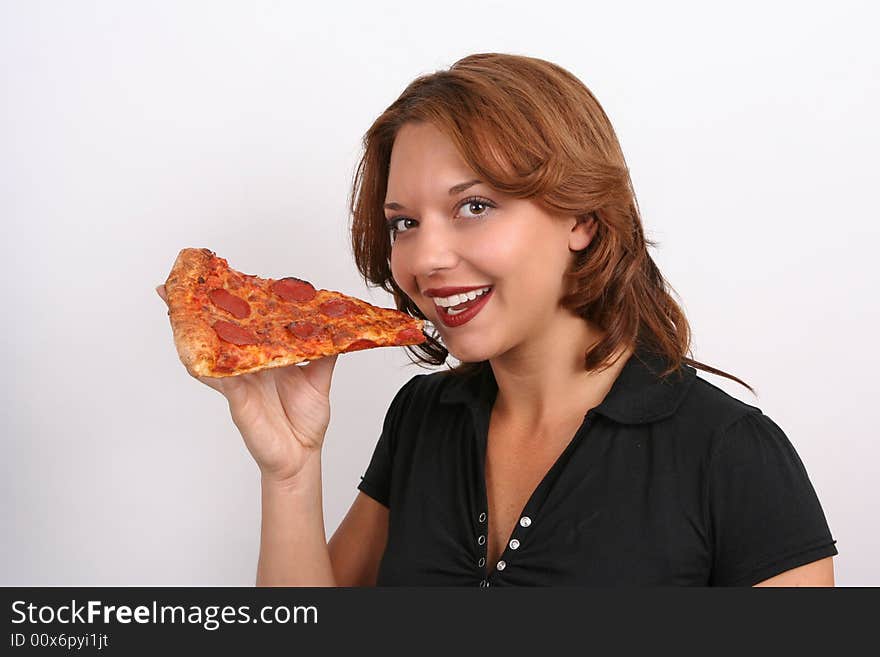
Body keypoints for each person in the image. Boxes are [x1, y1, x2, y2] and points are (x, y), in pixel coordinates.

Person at [157, 53, 838, 586]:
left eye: (474, 205)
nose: (423, 258)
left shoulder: (732, 455)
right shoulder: (421, 419)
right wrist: (291, 473)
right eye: (403, 223)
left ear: (582, 216)